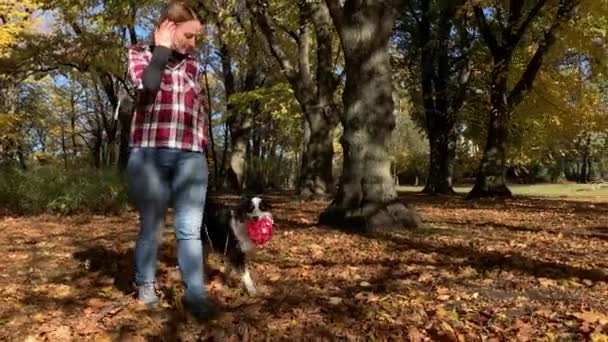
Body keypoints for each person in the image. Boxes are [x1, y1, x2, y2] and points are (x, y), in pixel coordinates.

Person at [125, 0, 218, 320]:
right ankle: (146, 287)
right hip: (150, 153)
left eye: (196, 38)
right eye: (189, 36)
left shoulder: (193, 65)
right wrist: (162, 49)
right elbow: (148, 85)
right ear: (170, 27)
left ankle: (196, 296)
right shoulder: (141, 53)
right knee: (151, 226)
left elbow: (199, 109)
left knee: (189, 231)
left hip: (190, 157)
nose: (194, 44)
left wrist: (202, 144)